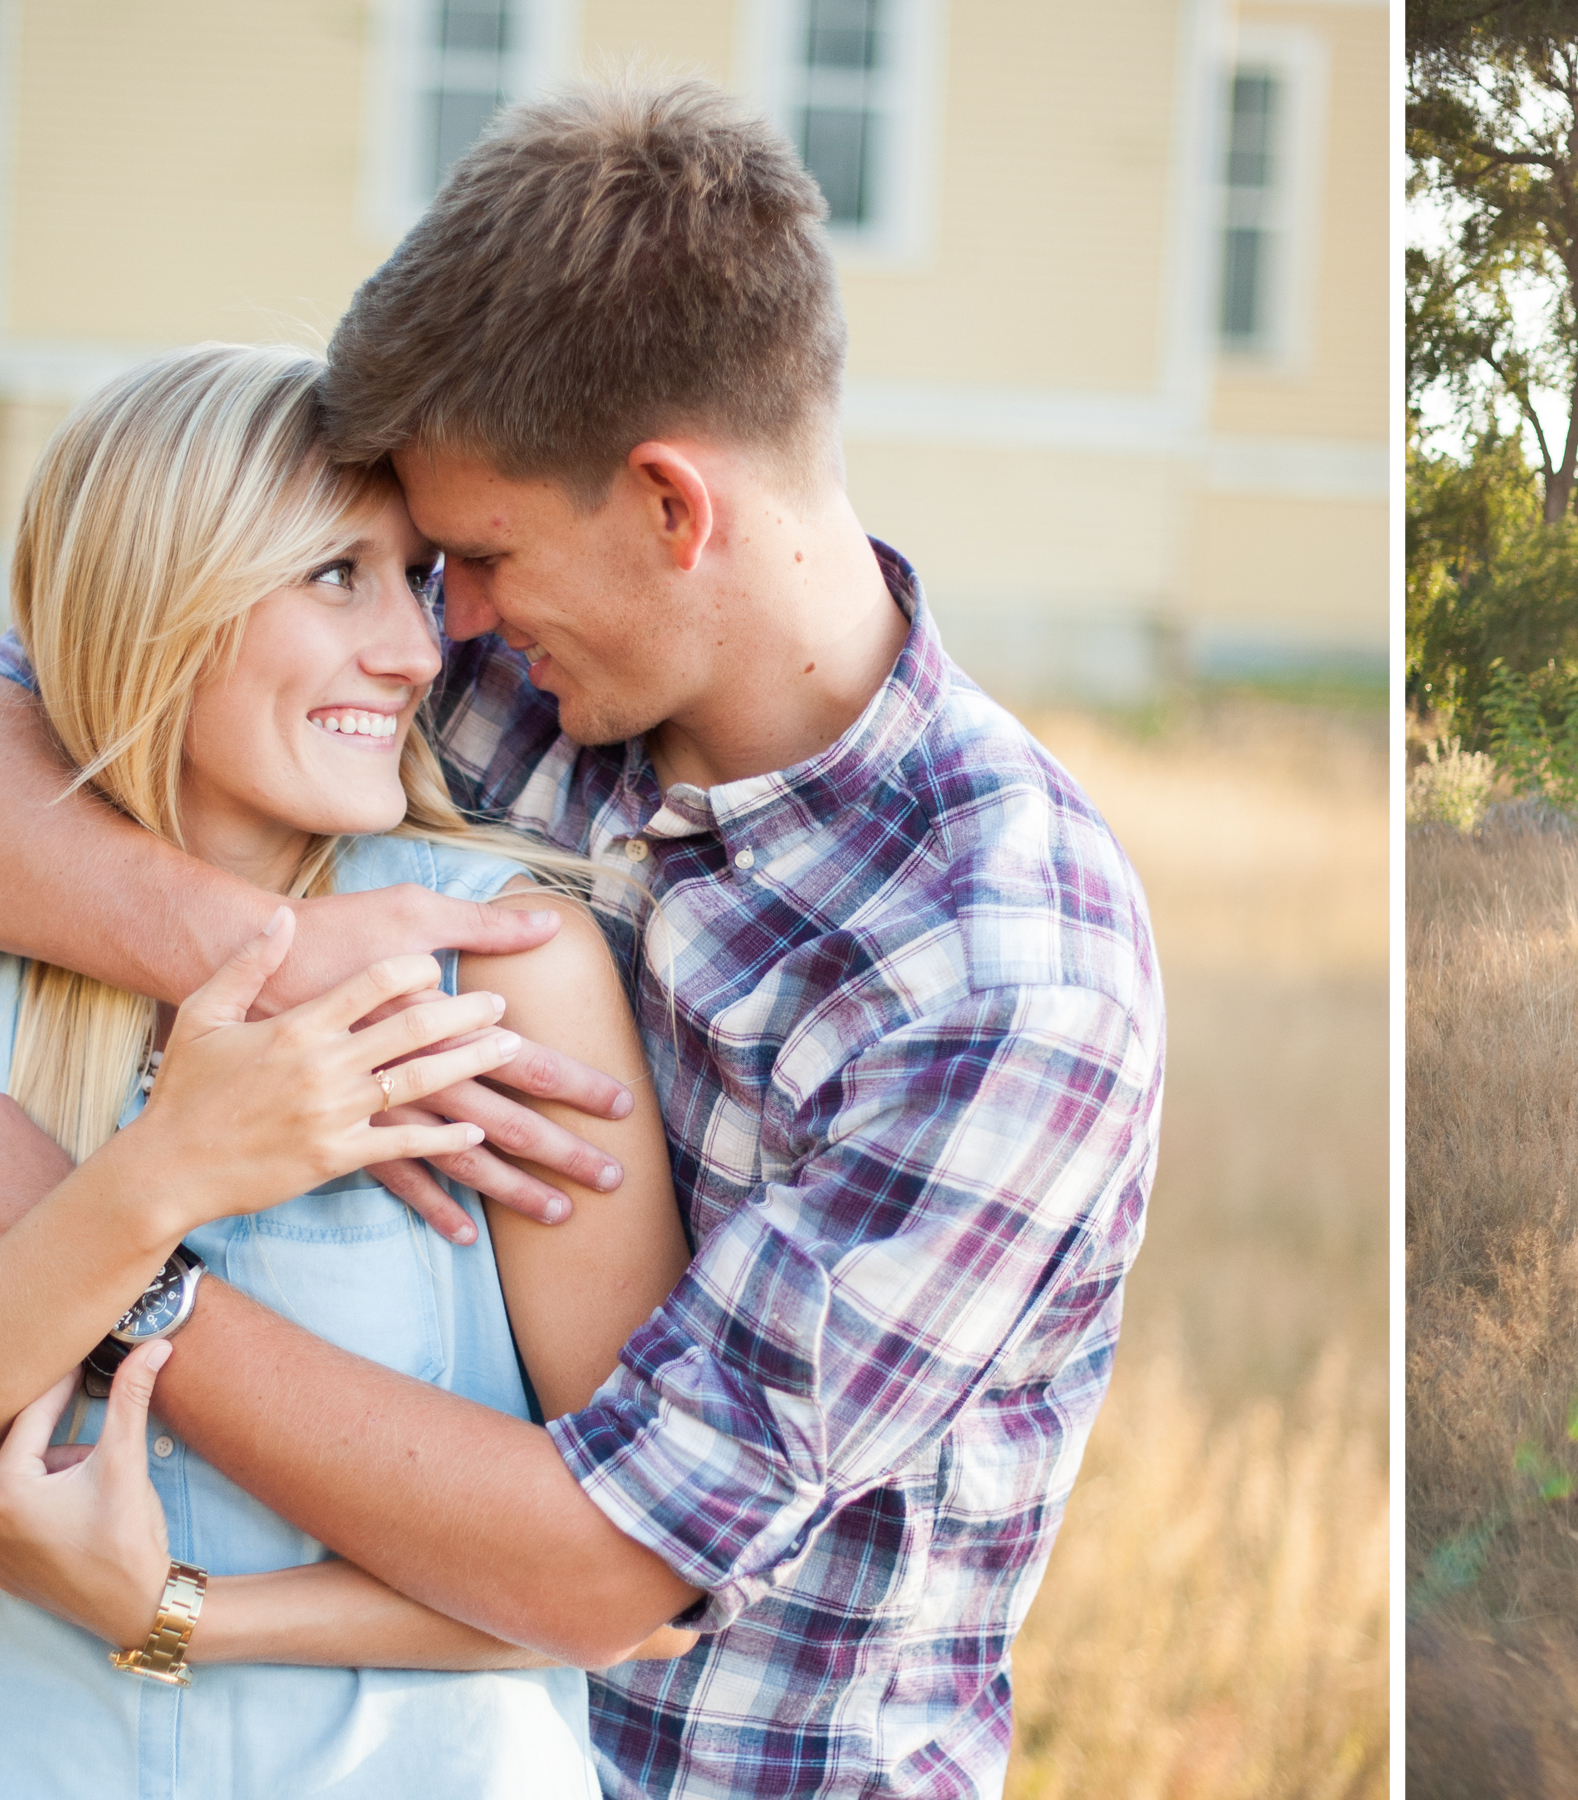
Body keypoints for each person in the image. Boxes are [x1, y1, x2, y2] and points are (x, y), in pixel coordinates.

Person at [0, 80, 1162, 1800]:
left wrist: (118, 1233)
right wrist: (250, 946)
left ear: (672, 507)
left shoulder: (1004, 971)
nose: (430, 632)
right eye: (395, 571)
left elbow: (611, 1566)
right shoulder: (505, 683)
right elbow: (94, 693)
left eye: (469, 557)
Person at [0, 343, 696, 1794]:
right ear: (155, 599)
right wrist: (169, 1171)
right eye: (335, 577)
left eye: (415, 583)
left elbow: (637, 1578)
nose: (417, 653)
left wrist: (181, 1621)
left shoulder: (508, 967)